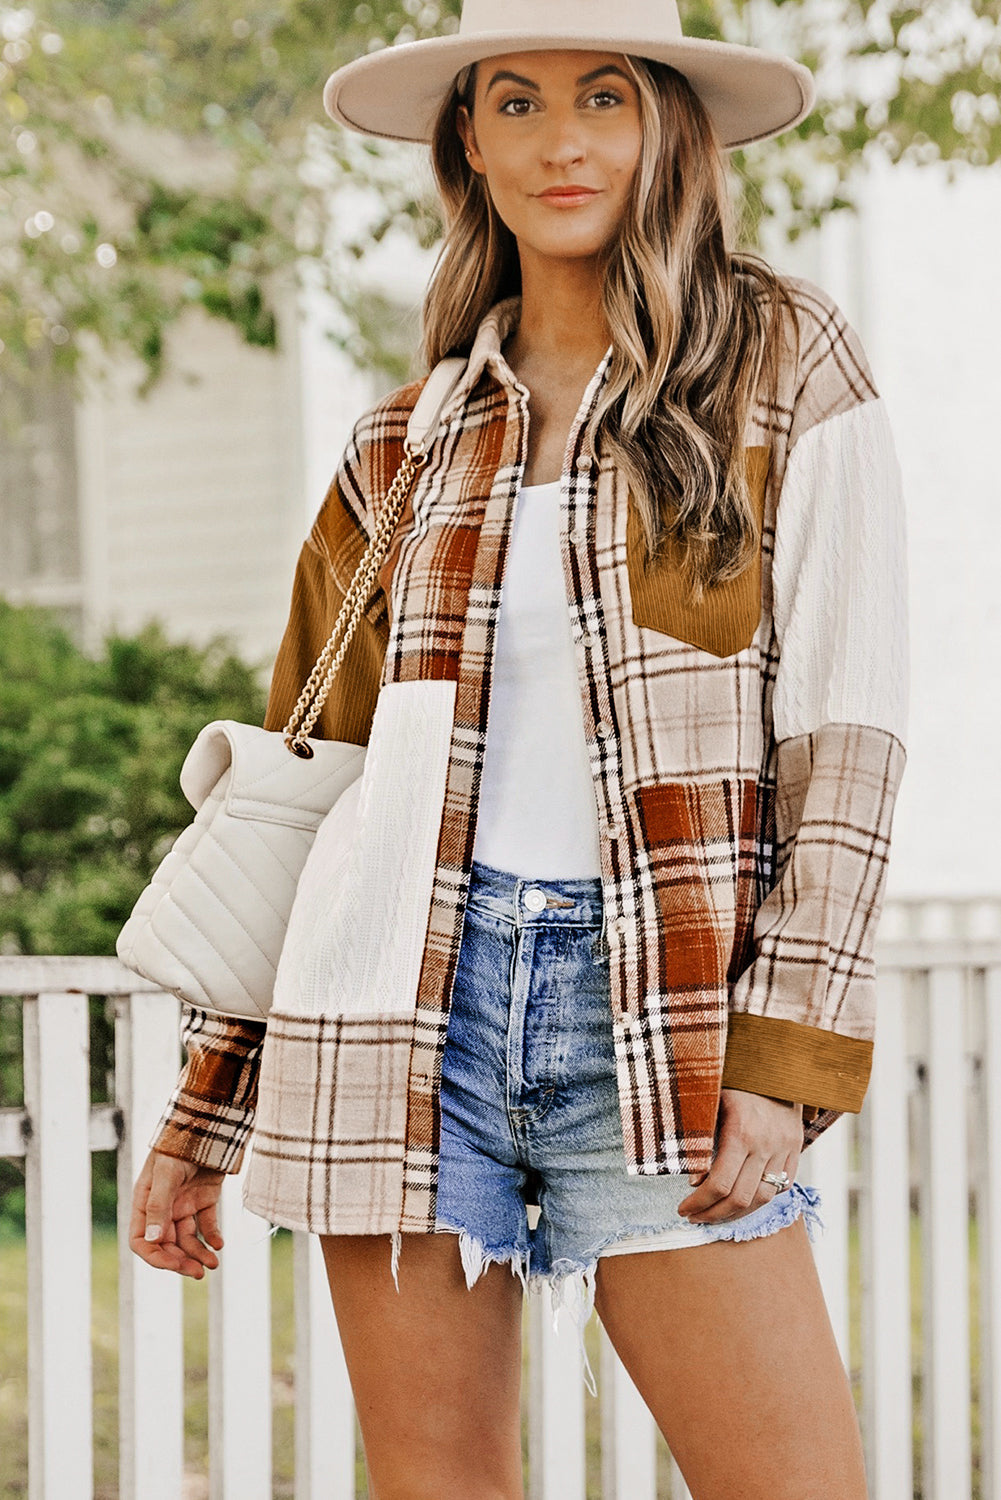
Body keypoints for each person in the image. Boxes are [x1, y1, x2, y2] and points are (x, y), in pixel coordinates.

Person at [129, 3, 909, 1497]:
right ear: (467, 146)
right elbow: (312, 787)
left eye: (605, 98)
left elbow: (847, 736)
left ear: (667, 129)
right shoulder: (402, 443)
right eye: (517, 102)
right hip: (402, 1010)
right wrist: (206, 1110)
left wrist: (783, 1054)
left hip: (665, 1011)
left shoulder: (779, 363)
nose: (563, 141)